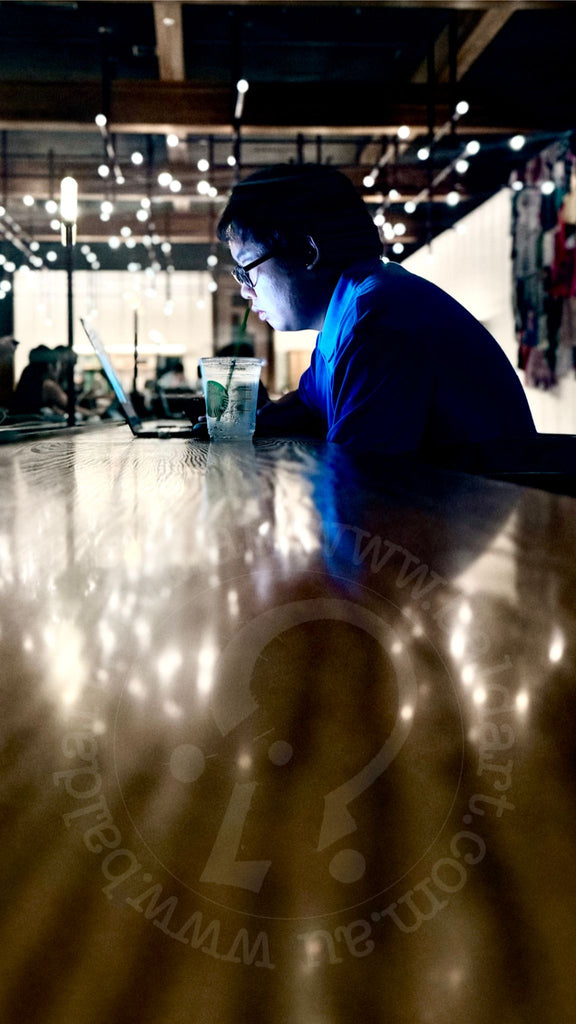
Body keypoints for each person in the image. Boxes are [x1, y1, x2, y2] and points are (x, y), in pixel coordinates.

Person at [215, 163, 537, 456]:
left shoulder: (374, 321)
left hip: (491, 499)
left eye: (247, 269)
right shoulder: (347, 315)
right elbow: (310, 403)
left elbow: (355, 478)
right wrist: (258, 418)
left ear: (306, 251)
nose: (244, 289)